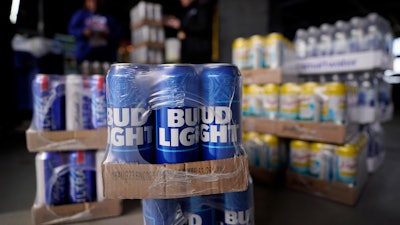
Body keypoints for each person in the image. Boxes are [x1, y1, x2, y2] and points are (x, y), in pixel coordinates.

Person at [68, 0, 121, 69]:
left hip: (105, 55)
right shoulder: (81, 14)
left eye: (96, 2)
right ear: (86, 2)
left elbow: (117, 32)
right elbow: (71, 29)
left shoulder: (107, 16)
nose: (94, 4)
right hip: (85, 54)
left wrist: (107, 35)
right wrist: (83, 32)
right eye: (91, 1)